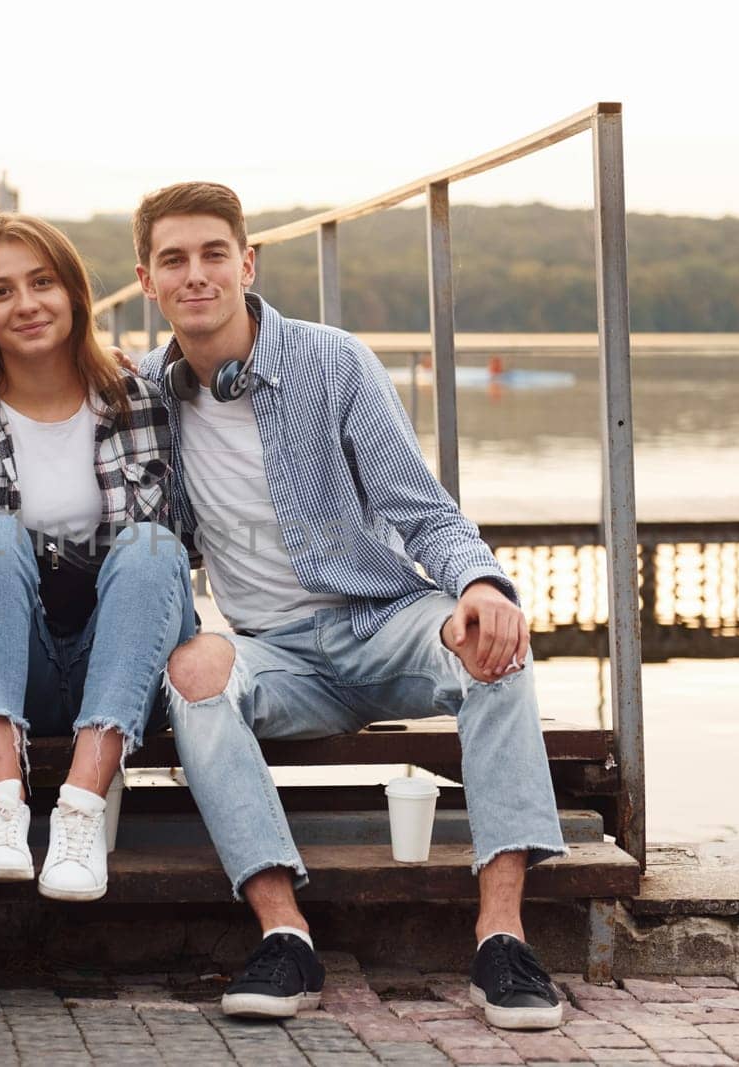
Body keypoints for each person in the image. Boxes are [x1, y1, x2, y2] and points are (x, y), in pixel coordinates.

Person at [132, 182, 569, 1029]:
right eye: (173, 260)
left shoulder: (334, 362)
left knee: (493, 646)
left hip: (384, 621)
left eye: (214, 254)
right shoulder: (145, 396)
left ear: (247, 263)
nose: (197, 275)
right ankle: (284, 934)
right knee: (193, 674)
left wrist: (480, 584)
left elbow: (421, 507)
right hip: (275, 654)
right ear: (146, 281)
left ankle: (502, 935)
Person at [0, 214, 192, 903]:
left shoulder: (141, 404)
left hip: (116, 664)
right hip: (6, 668)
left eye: (42, 282)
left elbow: (173, 570)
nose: (26, 304)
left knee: (151, 546)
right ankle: (1, 804)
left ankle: (82, 811)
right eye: (1, 293)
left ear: (74, 294)